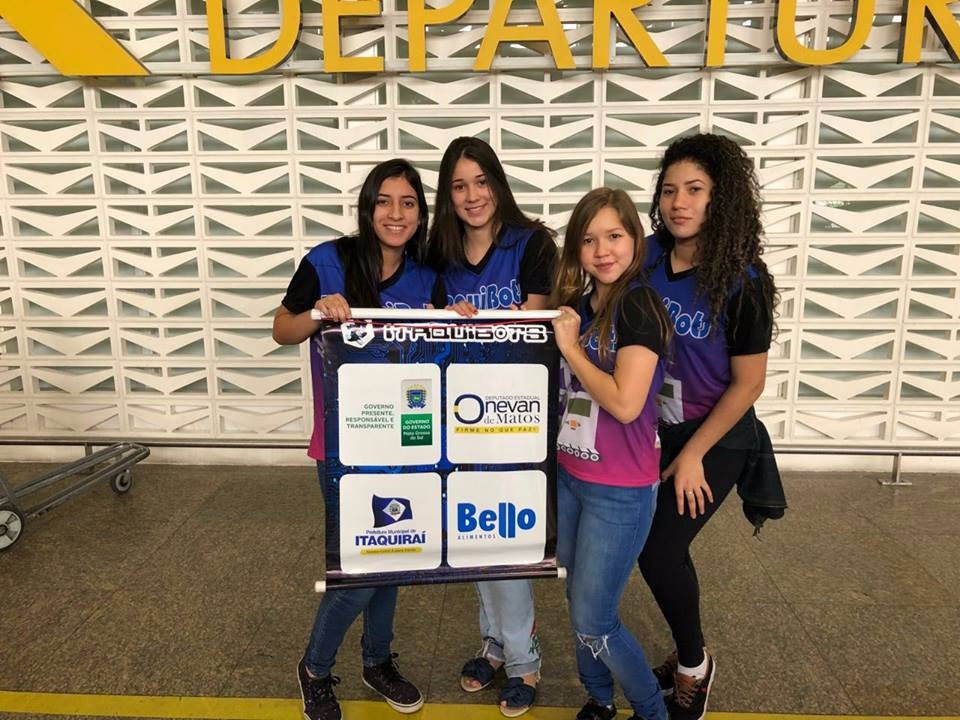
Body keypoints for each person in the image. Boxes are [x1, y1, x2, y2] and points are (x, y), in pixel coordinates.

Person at [273, 158, 445, 720]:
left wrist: (458, 319)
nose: (396, 214)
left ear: (421, 213)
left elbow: (443, 347)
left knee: (393, 556)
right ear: (368, 206)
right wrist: (319, 313)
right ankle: (315, 668)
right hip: (343, 446)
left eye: (409, 203)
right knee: (362, 567)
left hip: (406, 442)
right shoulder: (327, 262)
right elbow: (282, 328)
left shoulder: (426, 272)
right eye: (384, 201)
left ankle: (377, 661)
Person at [637, 133, 779, 720]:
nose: (679, 203)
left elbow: (749, 383)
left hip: (718, 437)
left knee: (660, 549)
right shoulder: (643, 256)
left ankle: (693, 664)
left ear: (721, 199)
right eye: (669, 190)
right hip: (653, 431)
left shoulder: (744, 279)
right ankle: (687, 653)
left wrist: (693, 453)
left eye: (694, 190)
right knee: (656, 547)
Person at [426, 136, 557, 717]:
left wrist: (479, 328)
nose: (472, 195)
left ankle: (524, 660)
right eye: (459, 185)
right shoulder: (439, 256)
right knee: (473, 533)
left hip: (516, 417)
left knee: (505, 533)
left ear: (498, 184)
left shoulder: (533, 243)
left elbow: (538, 326)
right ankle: (496, 647)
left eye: (481, 182)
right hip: (461, 416)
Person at [550, 187, 672, 720]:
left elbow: (625, 403)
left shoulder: (639, 304)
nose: (602, 250)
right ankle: (598, 700)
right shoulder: (581, 307)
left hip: (620, 492)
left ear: (634, 239)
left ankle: (651, 711)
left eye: (615, 236)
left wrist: (572, 349)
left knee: (595, 618)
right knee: (579, 606)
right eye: (589, 239)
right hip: (573, 476)